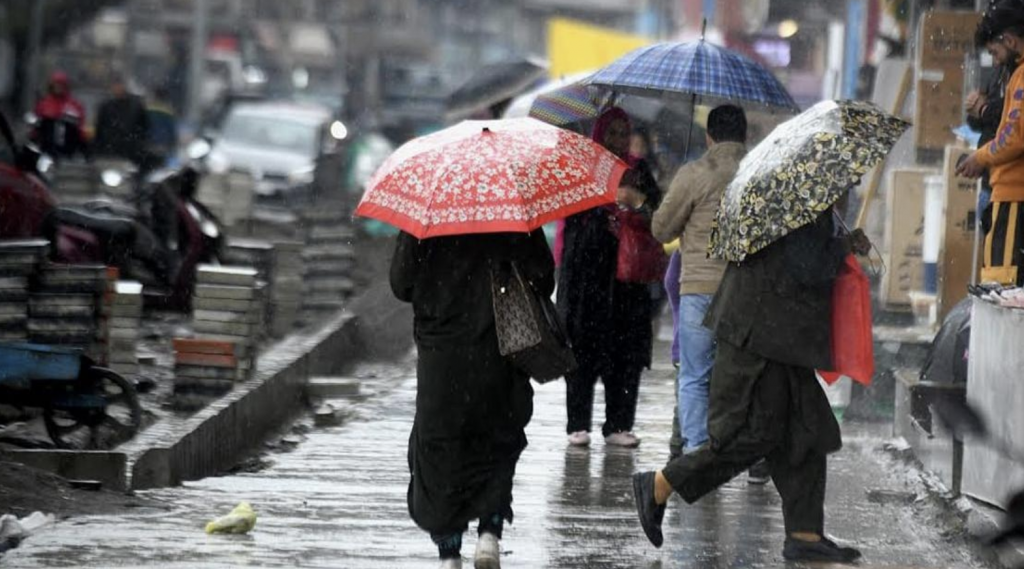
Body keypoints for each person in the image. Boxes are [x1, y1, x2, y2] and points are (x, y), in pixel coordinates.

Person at [632, 207, 871, 563]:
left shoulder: (805, 197)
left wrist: (840, 243)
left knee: (808, 429)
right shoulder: (801, 201)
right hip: (760, 335)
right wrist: (842, 246)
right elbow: (805, 265)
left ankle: (805, 533)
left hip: (778, 335)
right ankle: (659, 485)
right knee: (755, 433)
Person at [390, 229, 554, 569]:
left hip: (442, 353)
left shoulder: (427, 217)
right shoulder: (509, 206)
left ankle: (449, 552)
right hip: (497, 347)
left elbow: (401, 284)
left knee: (439, 449)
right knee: (497, 440)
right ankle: (489, 535)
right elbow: (544, 277)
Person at [558, 107, 662, 449]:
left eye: (623, 132)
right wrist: (602, 205)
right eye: (612, 133)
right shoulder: (583, 170)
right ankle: (577, 423)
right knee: (583, 351)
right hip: (588, 278)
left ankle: (619, 423)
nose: (618, 140)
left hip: (627, 281)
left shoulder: (638, 170)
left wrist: (634, 205)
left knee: (626, 353)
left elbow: (658, 214)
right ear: (600, 134)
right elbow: (571, 220)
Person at [651, 105, 748, 458]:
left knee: (694, 374)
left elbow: (661, 228)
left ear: (709, 136)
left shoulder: (694, 173)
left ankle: (696, 452)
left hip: (699, 290)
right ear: (744, 135)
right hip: (743, 292)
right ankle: (743, 452)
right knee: (739, 377)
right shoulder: (759, 173)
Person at [958, 3, 1024, 286]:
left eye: (995, 52)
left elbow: (1015, 135)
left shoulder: (1021, 75)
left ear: (1009, 40)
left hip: (1014, 195)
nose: (995, 61)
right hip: (1009, 193)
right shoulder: (1013, 73)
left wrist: (980, 158)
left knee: (1003, 285)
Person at [93, 75, 150, 167]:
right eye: (115, 86)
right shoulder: (106, 106)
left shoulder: (135, 106)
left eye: (119, 85)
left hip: (130, 153)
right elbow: (99, 129)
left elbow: (143, 128)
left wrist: (138, 145)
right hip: (109, 152)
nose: (117, 88)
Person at [32, 71, 87, 160]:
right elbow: (36, 127)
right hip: (47, 148)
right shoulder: (44, 104)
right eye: (56, 84)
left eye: (61, 84)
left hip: (68, 150)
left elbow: (80, 129)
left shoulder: (74, 105)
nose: (58, 87)